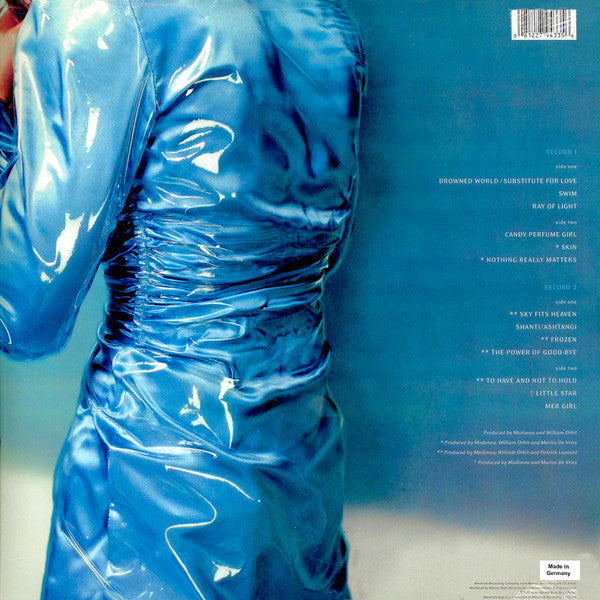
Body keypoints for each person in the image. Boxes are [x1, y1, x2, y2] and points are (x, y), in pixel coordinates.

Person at [0, 0, 365, 598]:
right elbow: (316, 257)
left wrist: (7, 110)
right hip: (302, 488)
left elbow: (20, 313)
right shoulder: (328, 24)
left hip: (153, 489)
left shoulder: (99, 14)